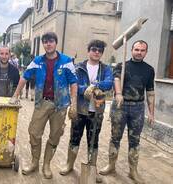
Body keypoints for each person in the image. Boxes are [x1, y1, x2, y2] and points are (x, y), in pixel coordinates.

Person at [10, 32, 78, 179]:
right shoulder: (37, 61)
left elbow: (73, 82)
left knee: (55, 135)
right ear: (43, 44)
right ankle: (34, 163)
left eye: (51, 41)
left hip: (60, 106)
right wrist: (15, 95)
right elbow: (24, 77)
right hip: (42, 103)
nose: (48, 44)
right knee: (34, 133)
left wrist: (74, 104)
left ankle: (46, 165)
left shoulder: (66, 61)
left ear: (56, 43)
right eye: (45, 42)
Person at [99, 40, 155, 184]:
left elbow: (150, 92)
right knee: (115, 137)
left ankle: (133, 170)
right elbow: (116, 79)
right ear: (132, 50)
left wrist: (151, 113)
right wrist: (118, 93)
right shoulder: (122, 66)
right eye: (137, 49)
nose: (139, 52)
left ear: (146, 52)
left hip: (137, 108)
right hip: (120, 106)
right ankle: (111, 166)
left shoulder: (149, 70)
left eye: (142, 50)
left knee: (135, 140)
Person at [59, 40, 113, 183]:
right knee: (74, 138)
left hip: (96, 111)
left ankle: (92, 168)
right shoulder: (78, 68)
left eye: (99, 50)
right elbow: (74, 84)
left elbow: (109, 83)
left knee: (93, 140)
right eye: (94, 49)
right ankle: (69, 165)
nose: (96, 52)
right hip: (80, 109)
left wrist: (94, 86)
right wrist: (86, 90)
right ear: (88, 51)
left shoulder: (106, 69)